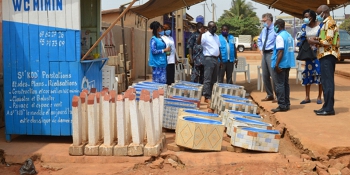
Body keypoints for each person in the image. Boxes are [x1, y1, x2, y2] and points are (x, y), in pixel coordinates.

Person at [309, 5, 340, 116]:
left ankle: (329, 108)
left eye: (319, 13)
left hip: (328, 55)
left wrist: (313, 42)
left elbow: (328, 41)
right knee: (325, 82)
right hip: (324, 55)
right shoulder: (325, 23)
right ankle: (326, 106)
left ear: (324, 12)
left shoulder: (330, 23)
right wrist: (316, 39)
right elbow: (324, 37)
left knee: (328, 82)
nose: (317, 16)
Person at [297, 9, 323, 105]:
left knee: (319, 74)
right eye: (304, 17)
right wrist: (307, 40)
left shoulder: (320, 26)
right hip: (308, 54)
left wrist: (315, 40)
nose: (306, 19)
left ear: (312, 17)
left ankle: (319, 96)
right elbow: (300, 38)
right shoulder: (304, 27)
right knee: (307, 73)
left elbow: (323, 38)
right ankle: (307, 97)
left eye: (307, 16)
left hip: (318, 54)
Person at [270, 19, 295, 113]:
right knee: (285, 84)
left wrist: (276, 64)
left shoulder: (280, 36)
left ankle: (282, 105)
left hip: (280, 64)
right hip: (287, 63)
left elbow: (280, 51)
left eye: (275, 25)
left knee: (279, 85)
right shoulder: (289, 36)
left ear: (279, 25)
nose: (274, 27)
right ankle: (287, 104)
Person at [197, 21, 221, 104]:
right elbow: (198, 42)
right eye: (213, 27)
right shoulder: (205, 35)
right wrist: (201, 33)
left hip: (216, 59)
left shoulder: (217, 37)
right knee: (207, 78)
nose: (215, 28)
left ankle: (212, 95)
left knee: (214, 79)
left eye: (215, 26)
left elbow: (218, 48)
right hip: (209, 58)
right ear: (209, 27)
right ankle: (207, 96)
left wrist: (220, 60)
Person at [258, 13, 278, 102]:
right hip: (264, 53)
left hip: (271, 53)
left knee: (273, 75)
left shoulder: (275, 29)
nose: (263, 23)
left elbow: (279, 40)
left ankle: (277, 95)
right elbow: (259, 40)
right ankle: (269, 94)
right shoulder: (264, 30)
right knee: (265, 75)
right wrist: (260, 48)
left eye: (264, 21)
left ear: (269, 20)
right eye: (263, 21)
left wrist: (275, 51)